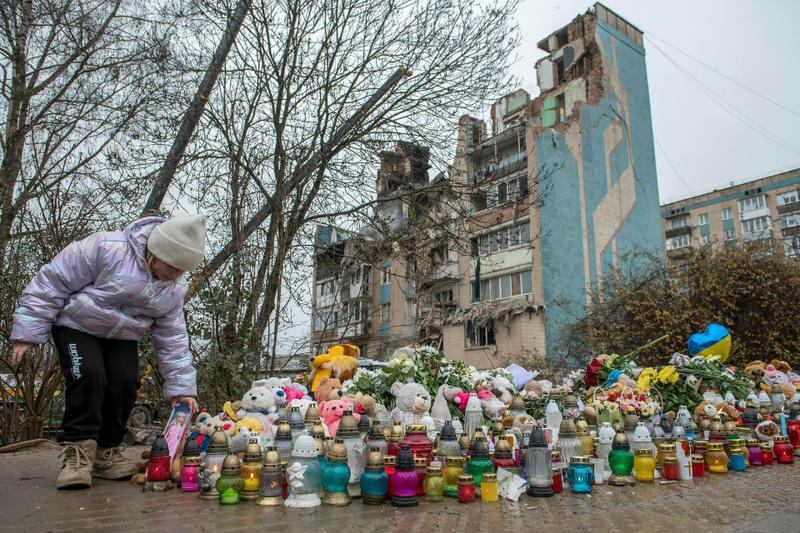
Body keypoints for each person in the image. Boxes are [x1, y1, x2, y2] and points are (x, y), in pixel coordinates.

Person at [11, 215, 206, 490]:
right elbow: (52, 281)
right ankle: (77, 453)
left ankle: (106, 451)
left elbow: (173, 338)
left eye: (182, 271)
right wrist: (28, 331)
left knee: (125, 383)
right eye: (173, 267)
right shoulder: (106, 248)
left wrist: (181, 389)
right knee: (89, 375)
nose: (176, 275)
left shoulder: (172, 290)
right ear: (157, 252)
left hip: (123, 335)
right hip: (76, 325)